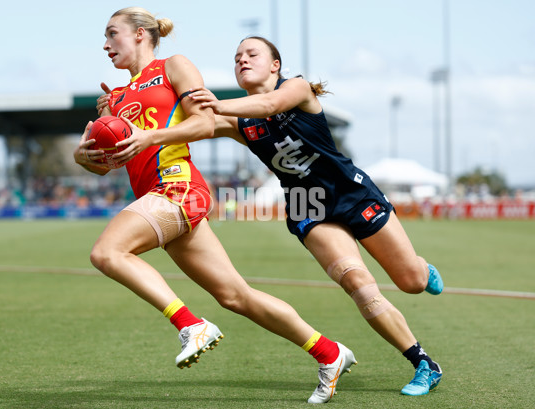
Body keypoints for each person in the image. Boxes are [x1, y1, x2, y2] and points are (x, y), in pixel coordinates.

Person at [79, 8, 355, 403]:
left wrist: (150, 136)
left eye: (112, 34)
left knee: (107, 252)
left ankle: (189, 324)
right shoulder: (115, 99)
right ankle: (329, 352)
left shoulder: (173, 66)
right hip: (156, 197)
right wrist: (82, 154)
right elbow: (101, 166)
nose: (105, 45)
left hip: (178, 187)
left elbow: (205, 124)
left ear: (141, 34)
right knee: (236, 296)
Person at [185, 36, 444, 397]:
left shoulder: (296, 88)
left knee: (411, 282)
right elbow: (191, 124)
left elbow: (270, 103)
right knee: (357, 284)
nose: (242, 60)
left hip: (352, 194)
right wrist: (124, 115)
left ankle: (420, 268)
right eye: (236, 57)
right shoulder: (240, 120)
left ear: (275, 64)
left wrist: (217, 103)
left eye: (252, 54)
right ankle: (423, 364)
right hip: (309, 207)